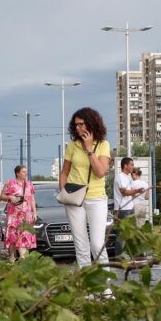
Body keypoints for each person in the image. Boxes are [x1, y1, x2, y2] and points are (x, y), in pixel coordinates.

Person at [59, 107, 112, 267]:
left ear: (91, 123)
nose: (78, 128)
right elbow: (64, 172)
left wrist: (89, 150)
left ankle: (106, 289)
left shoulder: (103, 144)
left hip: (96, 198)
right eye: (75, 125)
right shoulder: (73, 145)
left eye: (81, 124)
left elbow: (100, 172)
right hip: (74, 199)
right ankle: (87, 289)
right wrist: (64, 191)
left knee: (97, 245)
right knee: (81, 246)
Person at [0, 164, 37, 261]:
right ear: (17, 173)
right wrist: (10, 197)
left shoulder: (29, 184)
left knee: (24, 235)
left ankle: (22, 257)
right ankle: (11, 257)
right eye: (23, 172)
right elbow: (2, 196)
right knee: (13, 237)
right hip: (14, 215)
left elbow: (32, 199)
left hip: (26, 215)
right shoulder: (10, 183)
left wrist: (34, 213)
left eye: (26, 171)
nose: (26, 173)